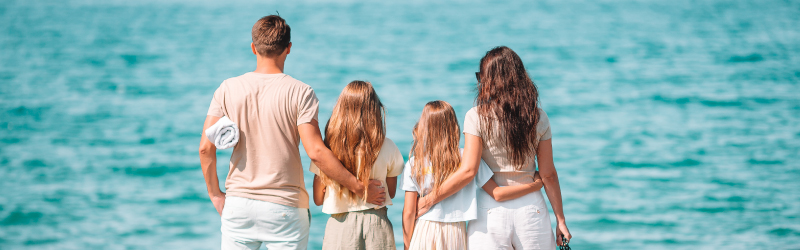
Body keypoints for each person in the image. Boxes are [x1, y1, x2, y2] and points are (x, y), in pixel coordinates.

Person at [198, 15, 385, 250]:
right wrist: (358, 187)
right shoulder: (301, 92)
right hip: (285, 208)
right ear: (288, 48)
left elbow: (205, 148)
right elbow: (316, 152)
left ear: (253, 48)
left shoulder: (227, 88)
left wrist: (215, 194)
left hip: (239, 204)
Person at [415, 47, 572, 249]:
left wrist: (429, 200)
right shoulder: (538, 117)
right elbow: (548, 174)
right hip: (532, 210)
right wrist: (560, 221)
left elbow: (469, 171)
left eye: (481, 77)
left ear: (490, 80)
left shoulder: (476, 116)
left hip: (489, 212)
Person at [401, 100, 544, 250]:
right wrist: (534, 186)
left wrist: (406, 246)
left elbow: (409, 212)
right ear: (454, 127)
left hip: (423, 229)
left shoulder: (414, 163)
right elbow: (498, 194)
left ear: (424, 127)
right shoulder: (468, 158)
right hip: (455, 232)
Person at [310, 80, 403, 250]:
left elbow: (317, 199)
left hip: (340, 226)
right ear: (375, 110)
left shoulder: (328, 149)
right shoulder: (388, 146)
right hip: (377, 224)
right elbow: (390, 192)